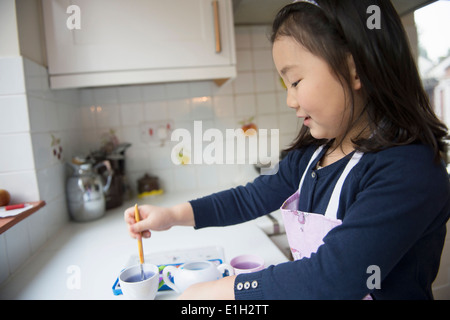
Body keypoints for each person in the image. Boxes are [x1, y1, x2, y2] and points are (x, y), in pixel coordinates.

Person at [124, 0, 450, 300]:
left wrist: (220, 291)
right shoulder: (314, 155)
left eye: (294, 81)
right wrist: (172, 216)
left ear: (354, 70)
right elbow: (249, 198)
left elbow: (333, 278)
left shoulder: (410, 171)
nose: (290, 100)